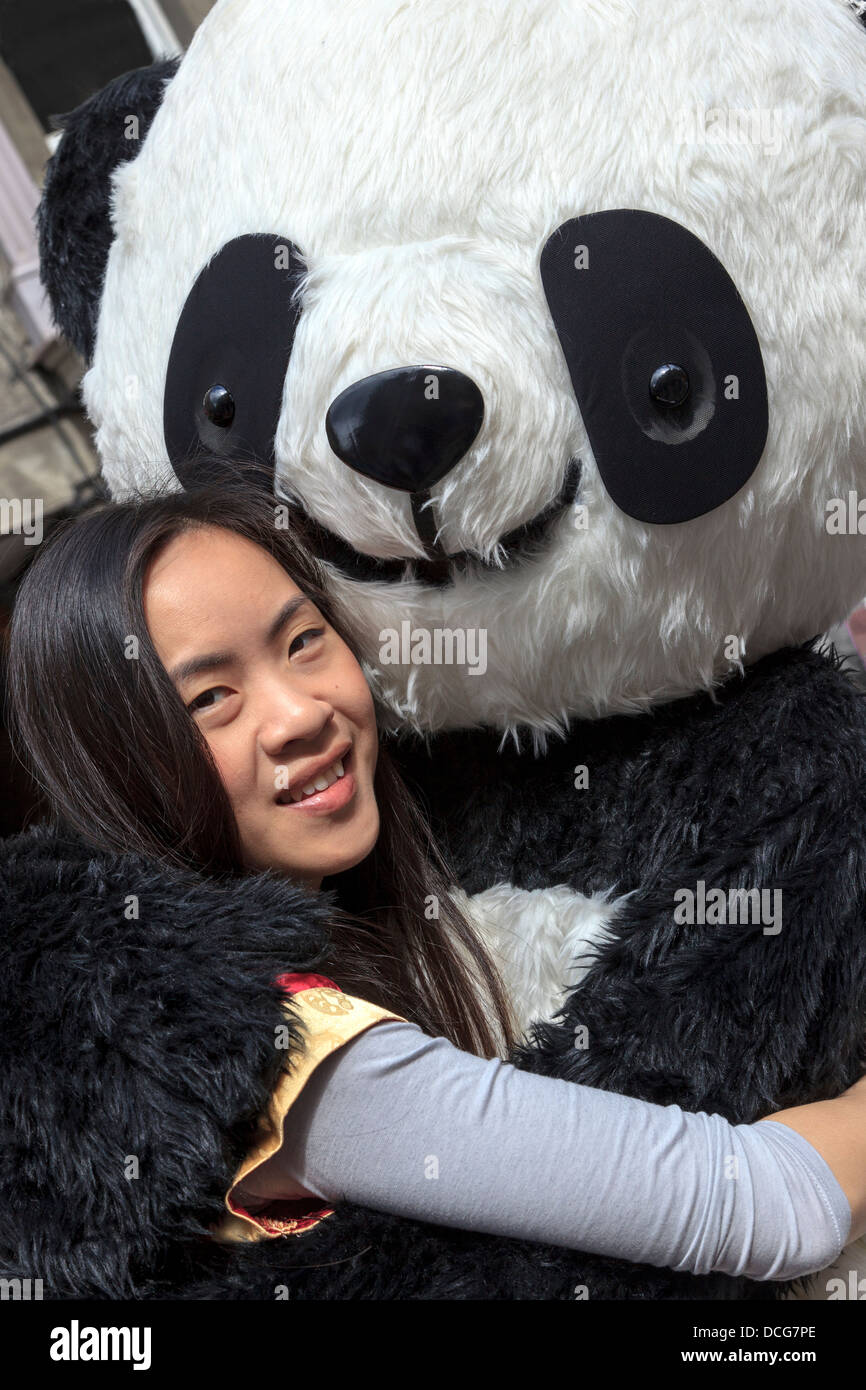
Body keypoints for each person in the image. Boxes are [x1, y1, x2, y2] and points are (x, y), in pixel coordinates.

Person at [6, 471, 866, 1288]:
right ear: (111, 767)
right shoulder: (273, 1050)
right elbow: (767, 1205)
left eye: (304, 641)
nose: (300, 714)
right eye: (209, 700)